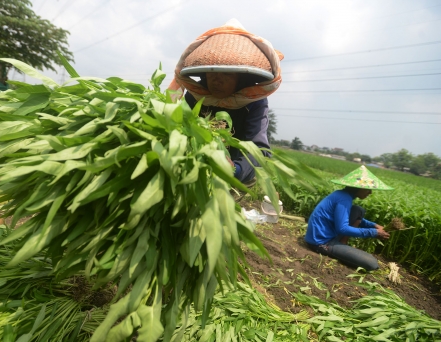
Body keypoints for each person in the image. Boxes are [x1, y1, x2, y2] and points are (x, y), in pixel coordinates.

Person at [168, 19, 284, 185]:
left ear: (241, 76)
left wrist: (234, 169)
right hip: (192, 173)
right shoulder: (196, 95)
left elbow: (259, 149)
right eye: (211, 73)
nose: (217, 80)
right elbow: (179, 126)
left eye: (227, 74)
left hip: (232, 179)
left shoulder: (253, 101)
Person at [305, 165, 394, 271]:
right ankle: (338, 246)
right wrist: (374, 232)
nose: (370, 192)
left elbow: (346, 216)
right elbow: (342, 228)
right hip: (321, 243)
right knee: (372, 264)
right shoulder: (344, 199)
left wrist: (374, 225)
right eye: (368, 189)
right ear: (359, 188)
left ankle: (341, 243)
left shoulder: (342, 195)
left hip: (325, 235)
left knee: (358, 210)